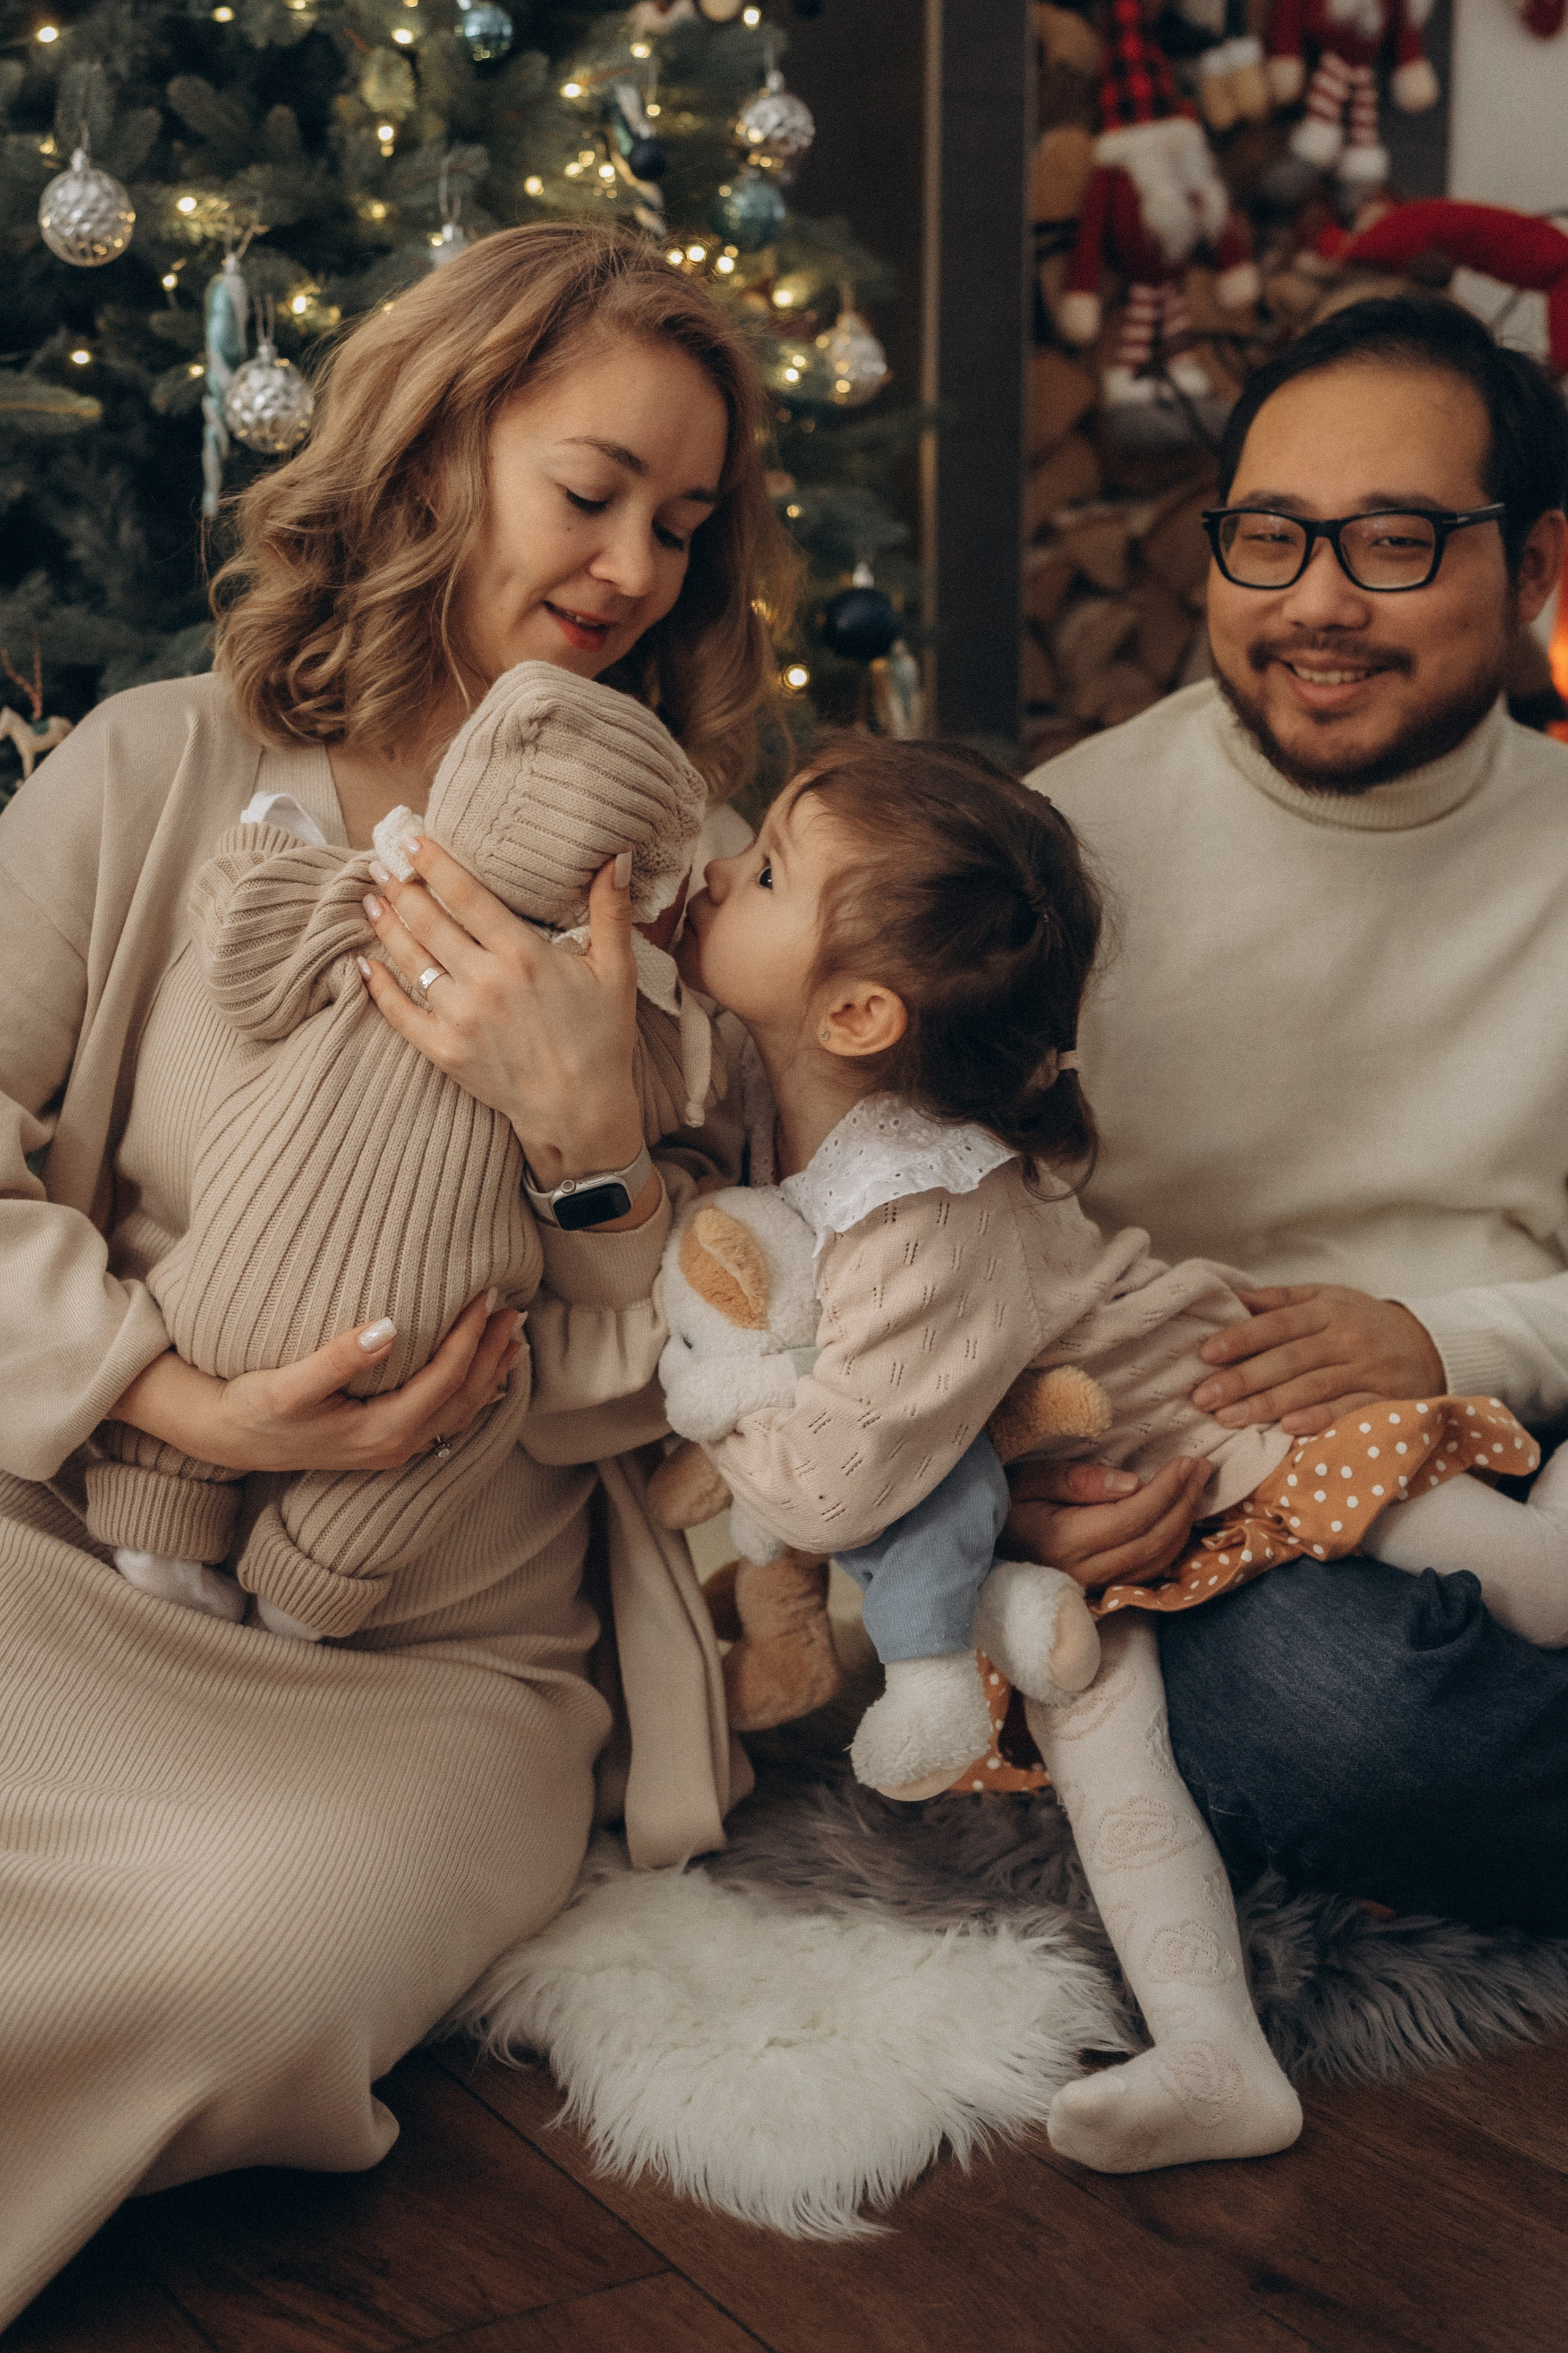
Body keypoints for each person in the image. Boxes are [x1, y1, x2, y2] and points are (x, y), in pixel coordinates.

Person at [0, 221, 794, 2322]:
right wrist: (164, 1396)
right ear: (439, 454)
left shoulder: (705, 883)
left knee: (235, 1962)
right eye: (593, 491)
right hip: (73, 1543)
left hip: (443, 1663)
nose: (637, 568)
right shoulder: (156, 766)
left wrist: (595, 1143)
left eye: (685, 525)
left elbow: (738, 1379)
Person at [658, 737, 1564, 2172]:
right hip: (1082, 1518)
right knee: (1106, 1753)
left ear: (858, 1009)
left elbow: (838, 1483)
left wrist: (709, 1406)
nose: (719, 871)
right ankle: (1212, 2051)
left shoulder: (929, 1210)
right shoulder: (796, 1093)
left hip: (1233, 1425)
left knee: (1532, 1580)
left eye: (764, 868)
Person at [1014, 295, 1568, 1932]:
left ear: (1534, 569)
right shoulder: (1060, 856)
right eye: (1266, 537)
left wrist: (1439, 1344)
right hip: (1228, 1496)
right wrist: (1011, 1471)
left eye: (1394, 541)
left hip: (1530, 1398)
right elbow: (935, 1245)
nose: (1316, 604)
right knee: (1366, 1731)